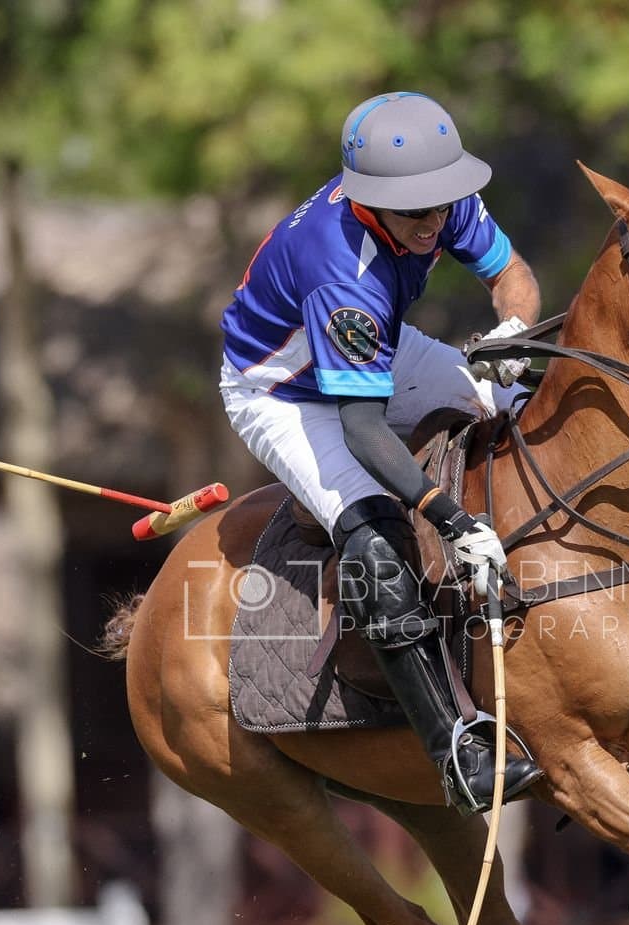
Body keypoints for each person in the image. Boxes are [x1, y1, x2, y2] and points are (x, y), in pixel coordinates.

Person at [219, 91, 544, 813]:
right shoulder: (342, 269)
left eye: (441, 207)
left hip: (371, 353)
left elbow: (510, 272)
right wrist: (455, 520)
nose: (434, 223)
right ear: (370, 204)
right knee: (371, 533)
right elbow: (363, 430)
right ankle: (455, 750)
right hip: (281, 391)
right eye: (415, 214)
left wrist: (510, 335)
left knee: (524, 410)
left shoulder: (433, 193)